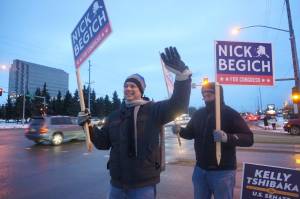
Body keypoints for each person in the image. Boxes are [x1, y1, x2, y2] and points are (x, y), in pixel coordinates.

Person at [78, 47, 192, 199]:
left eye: (133, 86)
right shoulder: (115, 116)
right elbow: (102, 143)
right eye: (125, 86)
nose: (128, 89)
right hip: (117, 184)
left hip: (143, 185)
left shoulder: (154, 110)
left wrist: (182, 76)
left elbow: (178, 105)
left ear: (141, 90)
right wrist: (87, 126)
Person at [173, 82, 253, 199]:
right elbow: (190, 133)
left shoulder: (230, 113)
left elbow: (249, 138)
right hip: (200, 170)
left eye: (209, 92)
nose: (205, 94)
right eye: (203, 92)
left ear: (218, 93)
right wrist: (180, 130)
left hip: (223, 172)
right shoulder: (198, 114)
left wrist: (227, 137)